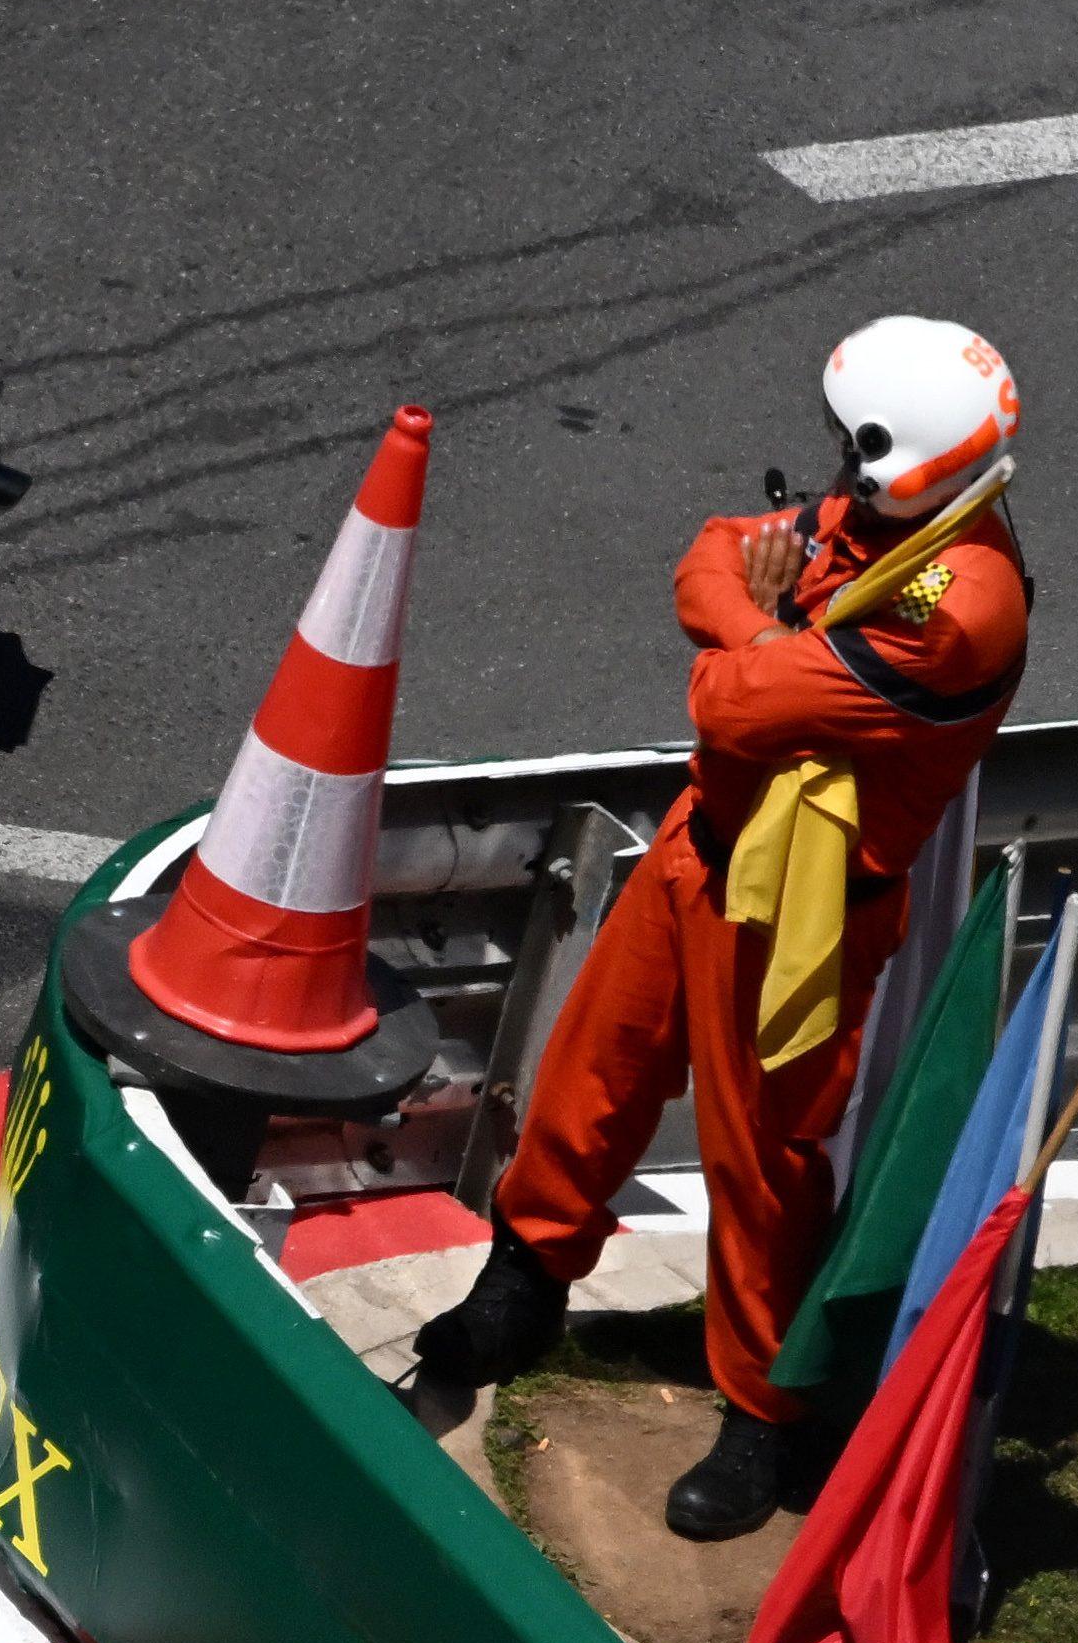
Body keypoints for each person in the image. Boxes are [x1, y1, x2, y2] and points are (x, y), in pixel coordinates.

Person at [406, 317, 1029, 1534]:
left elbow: (726, 697)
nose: (830, 469)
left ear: (893, 455)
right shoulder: (903, 522)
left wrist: (761, 637)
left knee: (762, 1165)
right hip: (707, 843)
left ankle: (763, 1416)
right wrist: (777, 635)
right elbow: (709, 551)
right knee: (593, 1071)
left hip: (805, 906)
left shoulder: (955, 609)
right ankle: (525, 1278)